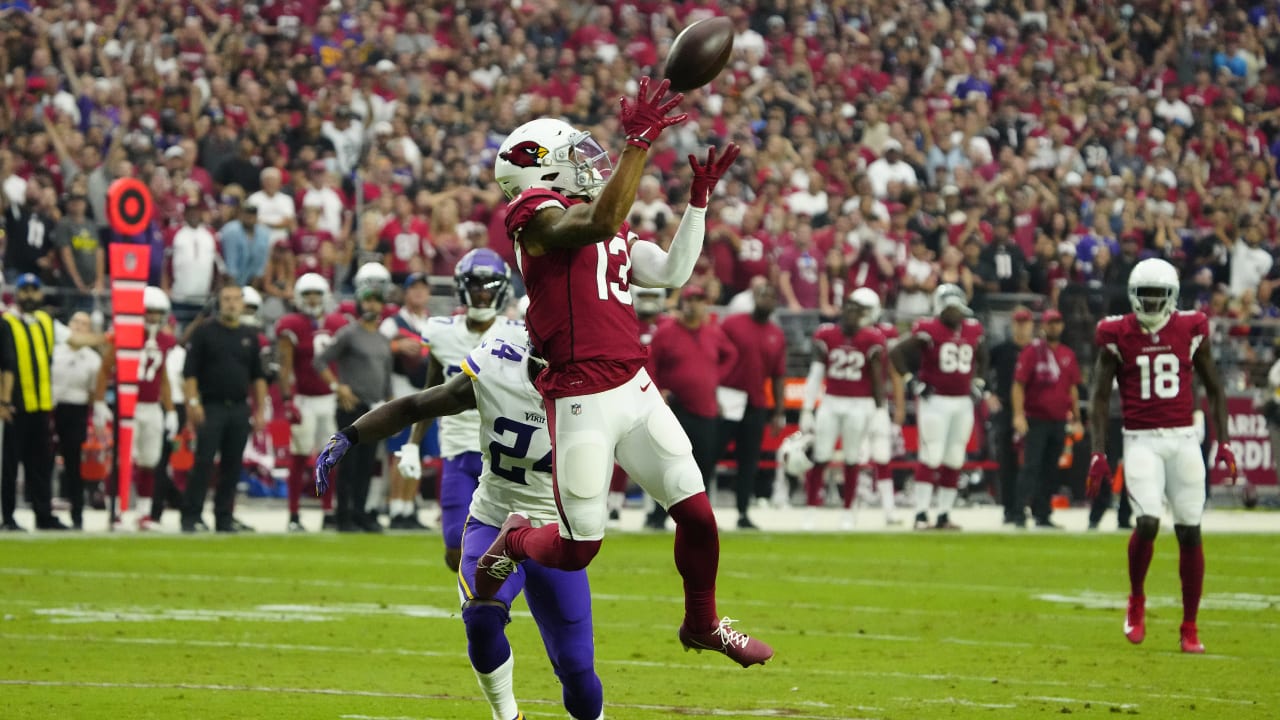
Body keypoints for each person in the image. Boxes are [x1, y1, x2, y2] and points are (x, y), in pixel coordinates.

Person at [475, 78, 772, 666]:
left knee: (698, 514)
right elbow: (598, 225)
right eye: (573, 158)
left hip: (634, 387)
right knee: (577, 547)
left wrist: (698, 204)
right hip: (580, 392)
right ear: (540, 172)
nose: (588, 165)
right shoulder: (531, 216)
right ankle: (514, 538)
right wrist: (639, 143)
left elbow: (671, 272)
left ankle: (703, 622)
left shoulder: (598, 220)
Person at [314, 332, 603, 720]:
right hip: (495, 517)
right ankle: (507, 715)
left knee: (578, 670)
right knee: (482, 617)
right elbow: (417, 404)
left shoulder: (605, 386)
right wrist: (350, 434)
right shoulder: (499, 366)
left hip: (558, 533)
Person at [1087, 258, 1238, 654]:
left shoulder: (1190, 327)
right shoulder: (1116, 333)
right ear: (1134, 296)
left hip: (1185, 439)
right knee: (1149, 521)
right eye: (1146, 296)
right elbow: (1099, 396)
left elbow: (1215, 388)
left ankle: (1189, 626)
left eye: (1159, 296)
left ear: (1172, 297)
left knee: (1190, 529)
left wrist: (1224, 441)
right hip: (1140, 440)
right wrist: (1098, 452)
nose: (1152, 304)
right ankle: (1137, 598)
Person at [400, 249, 520, 565]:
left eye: (489, 285)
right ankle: (477, 601)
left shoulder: (517, 334)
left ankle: (494, 604)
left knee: (507, 543)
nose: (481, 293)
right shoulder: (441, 332)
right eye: (475, 285)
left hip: (503, 453)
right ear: (462, 287)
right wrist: (412, 444)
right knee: (455, 547)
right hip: (456, 448)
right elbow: (431, 392)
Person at [0, 274, 94, 531]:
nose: (30, 295)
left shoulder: (46, 321)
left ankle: (43, 515)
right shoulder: (6, 323)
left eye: (34, 290)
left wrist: (109, 338)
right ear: (17, 294)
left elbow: (75, 340)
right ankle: (7, 516)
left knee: (40, 465)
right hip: (15, 407)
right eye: (25, 290)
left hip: (41, 405)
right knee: (8, 465)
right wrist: (3, 401)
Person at [890, 283, 987, 531]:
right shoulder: (928, 329)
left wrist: (979, 382)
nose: (956, 316)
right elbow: (897, 353)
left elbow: (982, 356)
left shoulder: (973, 328)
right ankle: (921, 514)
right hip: (935, 400)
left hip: (962, 401)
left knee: (954, 457)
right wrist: (913, 382)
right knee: (931, 455)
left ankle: (944, 514)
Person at [645, 284, 736, 530]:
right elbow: (650, 362)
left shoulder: (712, 333)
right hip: (675, 408)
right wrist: (657, 391)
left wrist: (715, 377)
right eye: (689, 299)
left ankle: (696, 516)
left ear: (705, 304)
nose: (693, 304)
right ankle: (657, 515)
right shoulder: (666, 332)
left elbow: (731, 355)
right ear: (682, 303)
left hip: (705, 408)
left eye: (698, 299)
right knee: (668, 462)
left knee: (704, 462)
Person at [799, 288, 889, 530]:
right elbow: (816, 375)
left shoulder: (872, 339)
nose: (850, 314)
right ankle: (810, 509)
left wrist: (880, 410)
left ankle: (848, 511)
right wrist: (807, 409)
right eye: (847, 309)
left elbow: (877, 378)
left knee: (851, 458)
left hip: (859, 404)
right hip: (831, 401)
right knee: (821, 455)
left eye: (855, 311)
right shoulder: (827, 335)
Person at [180, 284, 268, 533]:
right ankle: (191, 515)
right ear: (219, 302)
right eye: (226, 299)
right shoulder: (205, 333)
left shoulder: (250, 335)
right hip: (211, 406)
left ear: (242, 303)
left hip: (239, 407)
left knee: (233, 464)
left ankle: (224, 516)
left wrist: (260, 409)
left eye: (235, 299)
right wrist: (193, 403)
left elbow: (258, 376)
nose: (231, 304)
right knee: (204, 461)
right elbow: (190, 372)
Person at [94, 287, 178, 531]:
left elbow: (162, 378)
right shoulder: (125, 335)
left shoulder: (164, 340)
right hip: (128, 405)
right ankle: (117, 511)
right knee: (123, 461)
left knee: (150, 461)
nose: (153, 318)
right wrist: (100, 401)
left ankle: (143, 513)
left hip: (152, 407)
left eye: (157, 313)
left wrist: (170, 409)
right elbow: (105, 368)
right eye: (149, 312)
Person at [313, 282, 393, 532]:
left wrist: (390, 405)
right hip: (351, 406)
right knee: (349, 463)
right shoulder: (349, 333)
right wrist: (338, 387)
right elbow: (320, 360)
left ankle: (360, 513)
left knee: (367, 463)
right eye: (367, 300)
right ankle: (344, 515)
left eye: (376, 301)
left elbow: (386, 376)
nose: (371, 305)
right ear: (360, 304)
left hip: (375, 408)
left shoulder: (382, 338)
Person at [275, 273, 345, 532]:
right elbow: (285, 366)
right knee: (299, 457)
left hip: (329, 398)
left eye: (316, 293)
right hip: (304, 399)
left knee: (330, 458)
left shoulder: (337, 322)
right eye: (308, 294)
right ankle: (293, 514)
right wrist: (287, 399)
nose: (313, 299)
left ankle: (328, 511)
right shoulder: (291, 324)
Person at [718, 281, 788, 529]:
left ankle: (743, 512)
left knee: (749, 461)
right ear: (754, 297)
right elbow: (713, 354)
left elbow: (779, 375)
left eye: (770, 296)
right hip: (726, 397)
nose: (765, 299)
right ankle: (698, 512)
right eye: (762, 295)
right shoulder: (732, 324)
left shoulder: (776, 335)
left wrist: (779, 411)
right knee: (708, 455)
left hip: (756, 402)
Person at [1011, 309, 1081, 529]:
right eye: (1051, 323)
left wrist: (1077, 417)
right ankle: (1018, 511)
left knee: (1051, 468)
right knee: (1031, 466)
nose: (1054, 326)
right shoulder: (1033, 352)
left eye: (1058, 322)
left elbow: (1072, 388)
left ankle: (1042, 512)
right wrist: (1018, 414)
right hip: (1036, 418)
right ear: (1044, 325)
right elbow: (1018, 385)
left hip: (1059, 419)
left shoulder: (1068, 354)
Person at [378, 271, 432, 530]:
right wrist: (397, 347)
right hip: (399, 389)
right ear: (405, 293)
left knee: (417, 451)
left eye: (423, 288)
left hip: (426, 391)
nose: (419, 293)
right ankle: (396, 507)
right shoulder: (393, 323)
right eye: (414, 288)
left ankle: (409, 507)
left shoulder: (432, 323)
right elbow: (376, 347)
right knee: (401, 451)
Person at [52, 311, 101, 529]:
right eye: (77, 322)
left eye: (85, 324)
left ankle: (77, 514)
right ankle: (42, 510)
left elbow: (93, 391)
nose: (80, 327)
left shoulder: (93, 359)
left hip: (77, 409)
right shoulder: (55, 351)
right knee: (43, 461)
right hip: (52, 408)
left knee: (74, 465)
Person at [989, 307, 1035, 525]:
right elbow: (980, 368)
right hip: (1007, 410)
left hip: (1034, 411)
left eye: (1025, 322)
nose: (1022, 326)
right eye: (1018, 322)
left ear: (1031, 325)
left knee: (1032, 462)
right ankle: (1009, 507)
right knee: (1007, 461)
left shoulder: (1038, 350)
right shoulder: (1001, 350)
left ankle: (1030, 506)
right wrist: (988, 392)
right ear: (1012, 324)